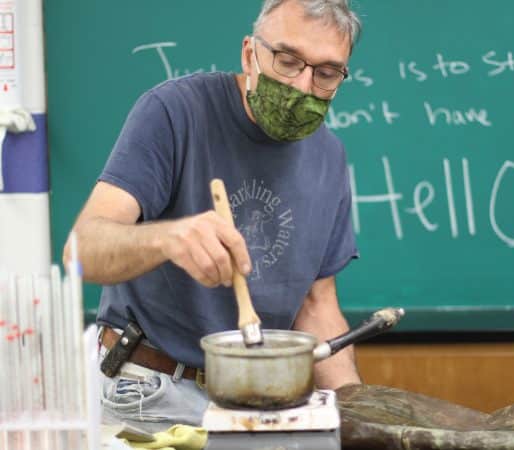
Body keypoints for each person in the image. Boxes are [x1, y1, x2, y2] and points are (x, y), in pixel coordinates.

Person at [64, 0, 362, 431]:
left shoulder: (329, 157)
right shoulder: (174, 113)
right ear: (249, 54)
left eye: (326, 73)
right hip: (149, 390)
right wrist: (168, 239)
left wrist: (357, 415)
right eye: (287, 61)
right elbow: (82, 250)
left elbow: (318, 308)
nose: (302, 86)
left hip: (258, 400)